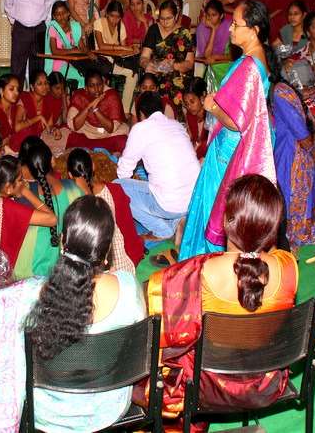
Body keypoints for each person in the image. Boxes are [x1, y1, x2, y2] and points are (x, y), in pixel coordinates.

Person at [0, 194, 146, 432]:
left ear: (63, 242)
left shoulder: (24, 297)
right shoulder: (130, 288)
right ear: (104, 254)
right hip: (107, 409)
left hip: (45, 415)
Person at [143, 175, 297, 424]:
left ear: (227, 221)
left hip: (207, 385)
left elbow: (161, 318)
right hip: (265, 382)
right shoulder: (288, 268)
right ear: (273, 226)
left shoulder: (197, 272)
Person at [179, 0, 277, 259]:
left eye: (236, 24)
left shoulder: (249, 66)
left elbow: (237, 121)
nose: (230, 28)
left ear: (254, 29)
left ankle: (205, 264)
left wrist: (212, 107)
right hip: (235, 145)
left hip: (229, 150)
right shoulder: (256, 59)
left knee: (214, 207)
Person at [115, 92, 200, 243]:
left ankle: (162, 229)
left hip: (168, 204)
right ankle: (179, 219)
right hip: (193, 201)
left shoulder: (141, 128)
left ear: (141, 114)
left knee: (117, 187)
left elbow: (123, 172)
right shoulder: (177, 125)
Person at [271, 66, 315, 249]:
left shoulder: (280, 92)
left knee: (298, 233)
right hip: (294, 156)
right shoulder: (284, 92)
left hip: (294, 159)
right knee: (290, 224)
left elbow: (301, 132)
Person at [0, 155, 56, 271]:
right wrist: (25, 191)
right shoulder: (4, 207)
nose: (23, 182)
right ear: (8, 187)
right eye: (20, 180)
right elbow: (52, 219)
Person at [17, 137, 85, 277]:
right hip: (65, 267)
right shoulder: (73, 188)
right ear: (52, 162)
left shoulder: (27, 197)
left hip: (31, 270)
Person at [67, 148, 142, 272]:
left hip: (95, 270)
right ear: (93, 166)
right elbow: (128, 227)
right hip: (127, 261)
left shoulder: (71, 201)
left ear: (70, 175)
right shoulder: (114, 190)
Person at [139, 0, 195, 119]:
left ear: (176, 16)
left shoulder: (184, 33)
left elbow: (190, 63)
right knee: (147, 87)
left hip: (176, 75)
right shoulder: (154, 29)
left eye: (168, 18)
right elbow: (144, 57)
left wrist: (173, 65)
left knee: (175, 90)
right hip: (156, 72)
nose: (164, 22)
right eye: (162, 18)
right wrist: (146, 64)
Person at [5, 0, 52, 85]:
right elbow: (8, 4)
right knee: (17, 67)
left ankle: (34, 101)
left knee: (37, 68)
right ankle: (16, 99)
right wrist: (14, 22)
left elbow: (48, 2)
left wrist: (45, 22)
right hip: (21, 29)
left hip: (39, 29)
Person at [65, 69, 129, 154]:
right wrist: (88, 107)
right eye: (92, 86)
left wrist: (95, 110)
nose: (97, 89)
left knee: (122, 142)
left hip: (108, 136)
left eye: (99, 85)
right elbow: (74, 126)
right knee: (72, 139)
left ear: (103, 84)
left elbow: (111, 128)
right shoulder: (80, 95)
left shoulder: (111, 95)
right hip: (87, 134)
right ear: (86, 88)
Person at [93, 0, 140, 113]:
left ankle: (125, 111)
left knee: (133, 74)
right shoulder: (99, 23)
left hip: (115, 61)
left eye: (118, 17)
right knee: (130, 73)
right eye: (112, 16)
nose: (115, 20)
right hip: (102, 61)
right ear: (107, 14)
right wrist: (123, 48)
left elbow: (123, 49)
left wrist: (132, 49)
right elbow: (101, 46)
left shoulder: (120, 26)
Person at [0, 73, 45, 152]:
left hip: (13, 147)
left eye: (17, 89)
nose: (16, 93)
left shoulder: (13, 107)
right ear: (1, 91)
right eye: (12, 89)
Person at [44, 0, 87, 88]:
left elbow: (82, 47)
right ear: (54, 17)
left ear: (68, 13)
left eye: (63, 13)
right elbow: (55, 52)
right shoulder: (53, 28)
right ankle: (78, 99)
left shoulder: (74, 27)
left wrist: (86, 51)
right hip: (59, 64)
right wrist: (72, 50)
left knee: (89, 74)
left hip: (74, 62)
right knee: (82, 78)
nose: (61, 16)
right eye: (58, 14)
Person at [20, 70, 65, 154]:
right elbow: (17, 127)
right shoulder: (25, 98)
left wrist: (54, 129)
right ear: (32, 87)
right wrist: (38, 118)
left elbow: (50, 125)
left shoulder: (47, 101)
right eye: (40, 84)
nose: (44, 87)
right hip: (24, 139)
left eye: (45, 83)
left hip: (40, 137)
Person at [196, 0, 233, 86]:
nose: (210, 18)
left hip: (228, 63)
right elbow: (207, 56)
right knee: (213, 66)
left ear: (221, 16)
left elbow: (234, 55)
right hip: (212, 63)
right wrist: (213, 30)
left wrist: (216, 57)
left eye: (214, 15)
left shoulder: (229, 28)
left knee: (214, 65)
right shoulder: (202, 28)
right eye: (208, 15)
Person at [184, 78, 209, 159]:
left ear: (202, 98)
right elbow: (191, 138)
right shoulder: (190, 115)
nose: (189, 107)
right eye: (186, 103)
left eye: (192, 101)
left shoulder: (212, 117)